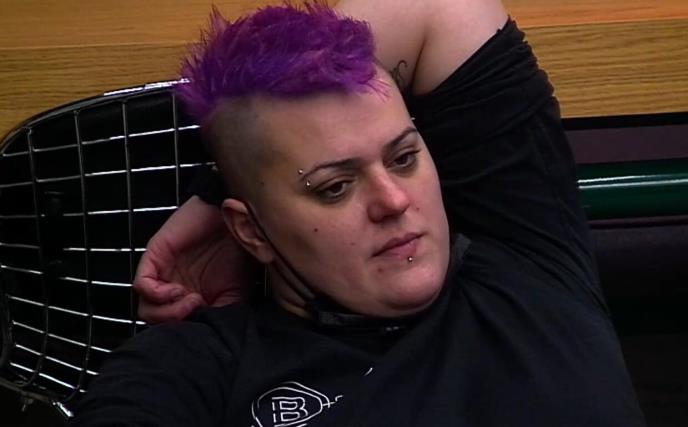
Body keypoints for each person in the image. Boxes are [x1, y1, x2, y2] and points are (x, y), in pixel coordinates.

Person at [72, 0, 646, 425]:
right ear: (249, 230)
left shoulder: (529, 254)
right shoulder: (198, 365)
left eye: (403, 158)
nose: (394, 201)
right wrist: (246, 176)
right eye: (335, 187)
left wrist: (210, 194)